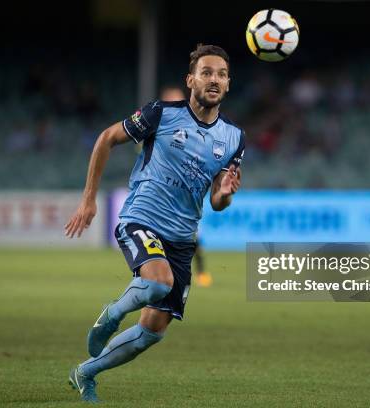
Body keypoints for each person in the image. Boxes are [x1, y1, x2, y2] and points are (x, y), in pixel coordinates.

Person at [64, 44, 244, 402]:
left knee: (152, 331)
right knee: (159, 282)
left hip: (181, 238)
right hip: (141, 218)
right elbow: (106, 139)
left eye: (221, 74)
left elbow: (217, 203)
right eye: (206, 72)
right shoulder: (160, 114)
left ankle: (85, 373)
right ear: (190, 80)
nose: (214, 79)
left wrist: (225, 192)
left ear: (228, 84)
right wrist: (88, 199)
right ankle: (112, 313)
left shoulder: (234, 138)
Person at [159, 85, 213, 287]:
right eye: (172, 100)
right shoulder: (157, 126)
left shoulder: (195, 127)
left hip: (185, 197)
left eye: (178, 99)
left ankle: (201, 272)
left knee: (192, 238)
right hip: (161, 195)